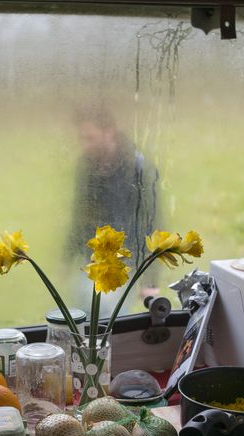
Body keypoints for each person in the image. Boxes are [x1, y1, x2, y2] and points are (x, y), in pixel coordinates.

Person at [67, 105, 161, 315]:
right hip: (92, 258)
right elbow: (79, 215)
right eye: (81, 138)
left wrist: (150, 279)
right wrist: (66, 258)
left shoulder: (138, 167)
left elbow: (152, 222)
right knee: (77, 313)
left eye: (89, 138)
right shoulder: (86, 165)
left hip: (125, 261)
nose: (84, 145)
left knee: (106, 314)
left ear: (109, 132)